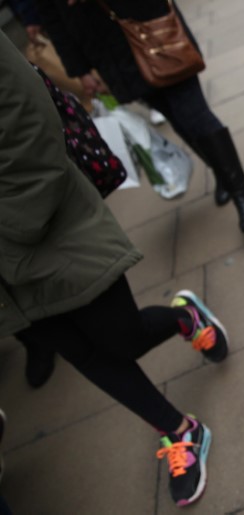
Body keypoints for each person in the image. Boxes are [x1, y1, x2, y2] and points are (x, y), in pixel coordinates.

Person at [0, 31, 224, 506]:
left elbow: (27, 123)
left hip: (42, 225)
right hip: (6, 274)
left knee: (121, 337)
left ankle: (185, 316)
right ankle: (180, 430)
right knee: (83, 354)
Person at [32, 0, 244, 234]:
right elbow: (53, 17)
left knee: (194, 114)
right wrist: (81, 70)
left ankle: (242, 195)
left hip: (152, 31)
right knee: (175, 116)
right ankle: (221, 171)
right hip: (110, 54)